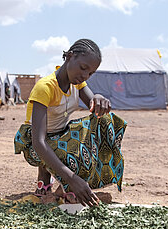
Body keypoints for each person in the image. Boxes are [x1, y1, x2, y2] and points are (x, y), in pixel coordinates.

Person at [14, 39, 127, 207]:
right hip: (35, 143)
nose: (85, 75)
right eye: (83, 68)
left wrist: (98, 98)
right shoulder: (45, 87)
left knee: (106, 120)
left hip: (60, 135)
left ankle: (62, 184)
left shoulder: (78, 83)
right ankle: (52, 178)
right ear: (69, 57)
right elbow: (39, 142)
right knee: (72, 151)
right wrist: (72, 178)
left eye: (90, 73)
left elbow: (94, 107)